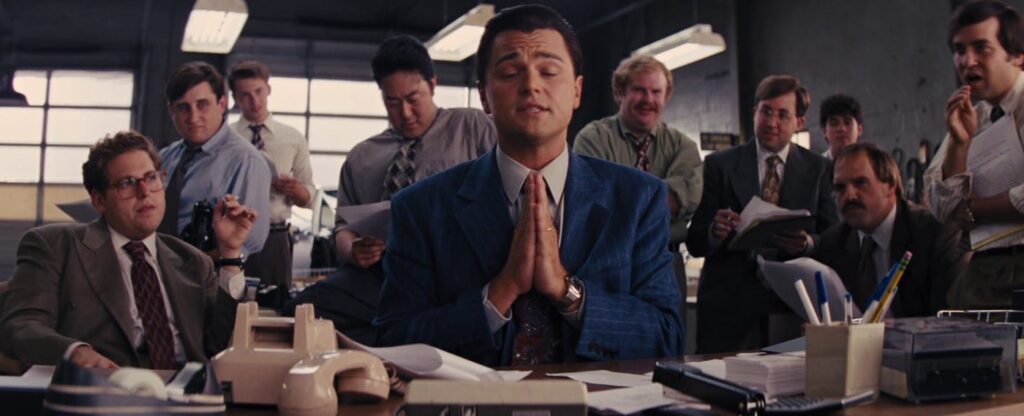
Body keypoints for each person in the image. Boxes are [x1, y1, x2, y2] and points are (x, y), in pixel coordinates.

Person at [374, 4, 683, 366]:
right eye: (510, 73)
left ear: (577, 91)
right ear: (484, 96)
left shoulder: (639, 198)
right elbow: (395, 340)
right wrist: (499, 292)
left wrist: (567, 291)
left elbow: (668, 337)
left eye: (549, 72)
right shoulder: (421, 208)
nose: (531, 85)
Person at [289, 35, 495, 345]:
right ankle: (392, 348)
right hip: (385, 275)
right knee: (300, 314)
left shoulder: (473, 128)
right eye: (393, 102)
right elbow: (342, 229)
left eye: (413, 98)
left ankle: (411, 336)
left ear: (432, 84)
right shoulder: (362, 157)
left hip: (457, 271)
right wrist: (353, 250)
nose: (406, 112)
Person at [0, 131, 255, 369]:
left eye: (151, 178)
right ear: (99, 201)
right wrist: (75, 352)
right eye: (127, 183)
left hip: (186, 389)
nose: (145, 192)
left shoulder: (192, 260)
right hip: (105, 387)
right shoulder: (55, 246)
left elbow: (221, 345)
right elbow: (21, 327)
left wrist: (230, 252)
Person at [686, 75, 837, 353]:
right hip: (727, 309)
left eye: (782, 115)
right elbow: (695, 241)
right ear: (754, 112)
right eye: (766, 111)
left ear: (799, 122)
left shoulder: (819, 169)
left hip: (793, 306)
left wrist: (808, 243)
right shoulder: (720, 165)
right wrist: (714, 232)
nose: (771, 122)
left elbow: (834, 236)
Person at [925, 0, 1024, 308]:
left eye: (982, 48)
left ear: (1017, 54)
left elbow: (961, 211)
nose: (968, 61)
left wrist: (973, 210)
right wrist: (959, 143)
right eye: (959, 50)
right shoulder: (973, 115)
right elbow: (940, 208)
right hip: (985, 274)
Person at [815, 143, 961, 317]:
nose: (849, 196)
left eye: (861, 183)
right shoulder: (833, 242)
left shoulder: (934, 235)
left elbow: (946, 318)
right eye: (840, 188)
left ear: (890, 185)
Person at [574, 54, 702, 249]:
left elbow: (689, 198)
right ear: (620, 93)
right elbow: (594, 203)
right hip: (607, 255)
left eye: (656, 92)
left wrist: (623, 200)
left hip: (666, 257)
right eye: (639, 90)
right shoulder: (593, 139)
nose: (648, 99)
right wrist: (661, 199)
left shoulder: (683, 146)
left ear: (666, 97)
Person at [158, 61, 272, 260]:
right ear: (171, 111)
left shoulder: (246, 161)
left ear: (222, 104)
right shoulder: (165, 157)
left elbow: (250, 241)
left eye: (202, 105)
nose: (193, 117)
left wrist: (196, 266)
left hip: (207, 270)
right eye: (183, 107)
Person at [228, 60, 315, 308]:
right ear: (235, 98)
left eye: (258, 91)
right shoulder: (226, 139)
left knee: (276, 308)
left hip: (275, 240)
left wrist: (295, 190)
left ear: (268, 89)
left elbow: (309, 198)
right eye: (245, 95)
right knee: (229, 306)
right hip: (233, 237)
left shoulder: (292, 138)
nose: (254, 101)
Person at [819, 94, 864, 161]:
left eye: (847, 123)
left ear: (859, 129)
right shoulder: (814, 166)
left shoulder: (870, 166)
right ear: (824, 131)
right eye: (834, 123)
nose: (841, 129)